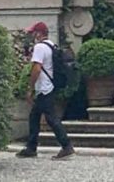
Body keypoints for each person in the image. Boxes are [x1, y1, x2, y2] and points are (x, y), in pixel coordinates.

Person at [15, 21, 74, 159]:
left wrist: (31, 88)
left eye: (34, 33)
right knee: (34, 116)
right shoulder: (52, 45)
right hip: (50, 86)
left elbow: (36, 68)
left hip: (44, 87)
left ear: (39, 33)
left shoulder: (40, 47)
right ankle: (31, 147)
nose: (32, 36)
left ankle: (66, 146)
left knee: (51, 118)